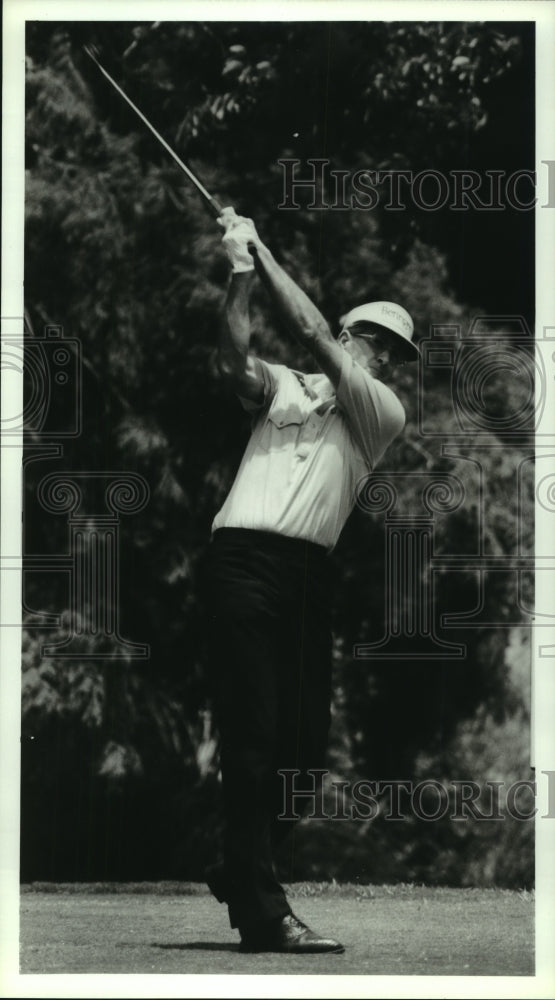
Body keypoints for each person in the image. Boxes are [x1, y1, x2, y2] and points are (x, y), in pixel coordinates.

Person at [203, 208, 420, 954]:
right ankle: (264, 915)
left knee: (303, 751)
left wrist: (259, 248)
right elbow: (232, 362)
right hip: (240, 561)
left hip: (304, 578)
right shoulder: (286, 389)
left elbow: (309, 333)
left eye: (396, 352)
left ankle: (240, 855)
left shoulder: (378, 410)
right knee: (254, 736)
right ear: (354, 333)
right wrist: (238, 273)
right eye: (377, 342)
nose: (387, 358)